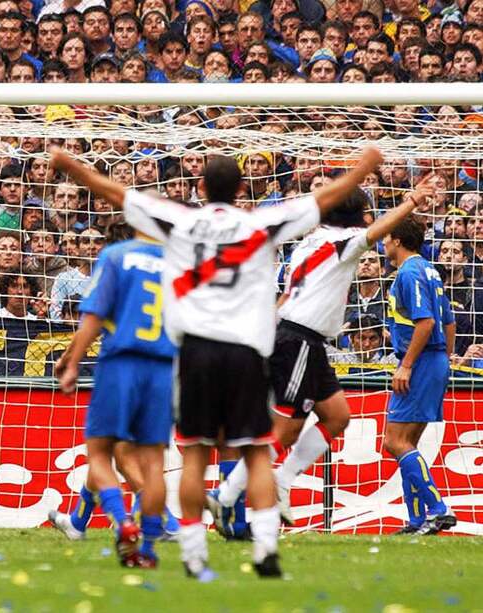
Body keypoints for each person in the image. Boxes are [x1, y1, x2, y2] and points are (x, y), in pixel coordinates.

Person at [51, 145, 383, 580]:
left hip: (195, 352)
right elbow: (323, 199)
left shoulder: (181, 221)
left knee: (194, 456)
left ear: (201, 187)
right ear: (242, 188)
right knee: (257, 453)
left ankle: (192, 554)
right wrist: (363, 167)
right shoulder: (260, 223)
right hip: (247, 350)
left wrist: (70, 164)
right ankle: (265, 548)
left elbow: (114, 192)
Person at [207, 177, 435, 533]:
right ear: (357, 216)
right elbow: (376, 232)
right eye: (364, 212)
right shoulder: (341, 242)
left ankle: (281, 482)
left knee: (338, 416)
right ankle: (226, 495)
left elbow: (289, 291)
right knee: (284, 431)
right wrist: (411, 201)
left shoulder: (310, 241)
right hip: (298, 339)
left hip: (305, 341)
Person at [50, 221, 179, 568]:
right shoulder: (179, 261)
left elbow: (93, 316)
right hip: (163, 366)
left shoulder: (117, 257)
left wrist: (70, 360)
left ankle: (125, 523)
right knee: (152, 462)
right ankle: (144, 545)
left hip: (121, 362)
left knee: (102, 452)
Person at [381, 214, 458, 535]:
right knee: (407, 441)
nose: (383, 242)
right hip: (435, 360)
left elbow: (426, 323)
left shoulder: (409, 272)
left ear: (397, 240)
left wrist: (408, 364)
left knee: (393, 441)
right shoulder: (431, 270)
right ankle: (416, 520)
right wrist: (446, 358)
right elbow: (449, 321)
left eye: (386, 237)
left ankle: (438, 508)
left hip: (421, 361)